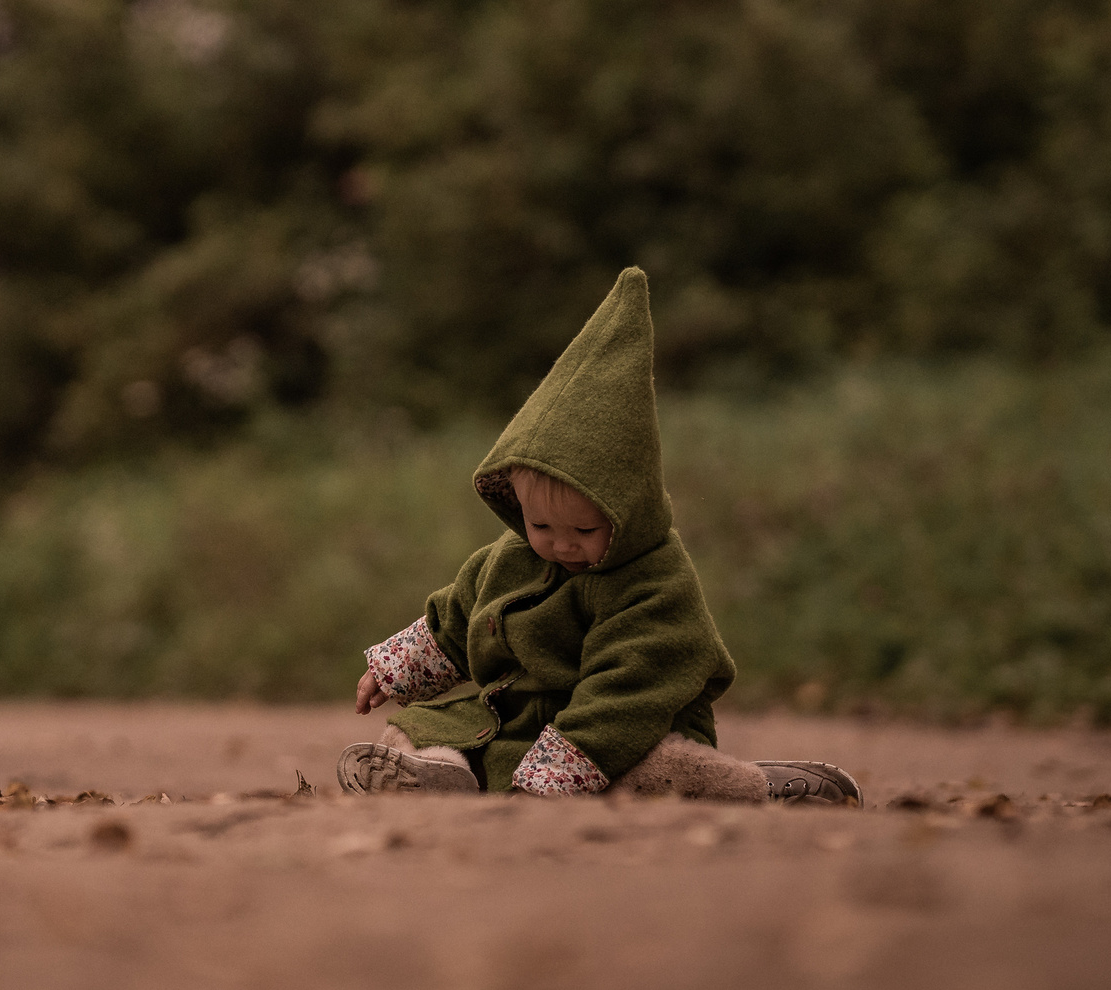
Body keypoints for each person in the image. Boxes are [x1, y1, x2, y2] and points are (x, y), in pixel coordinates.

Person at [336, 267, 859, 805]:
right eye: (541, 526)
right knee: (415, 728)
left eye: (584, 530)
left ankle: (756, 787)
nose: (561, 545)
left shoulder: (654, 584)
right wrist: (394, 671)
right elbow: (457, 620)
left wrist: (561, 767)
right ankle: (435, 775)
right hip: (516, 724)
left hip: (618, 733)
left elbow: (630, 688)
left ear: (627, 510)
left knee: (657, 766)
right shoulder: (508, 560)